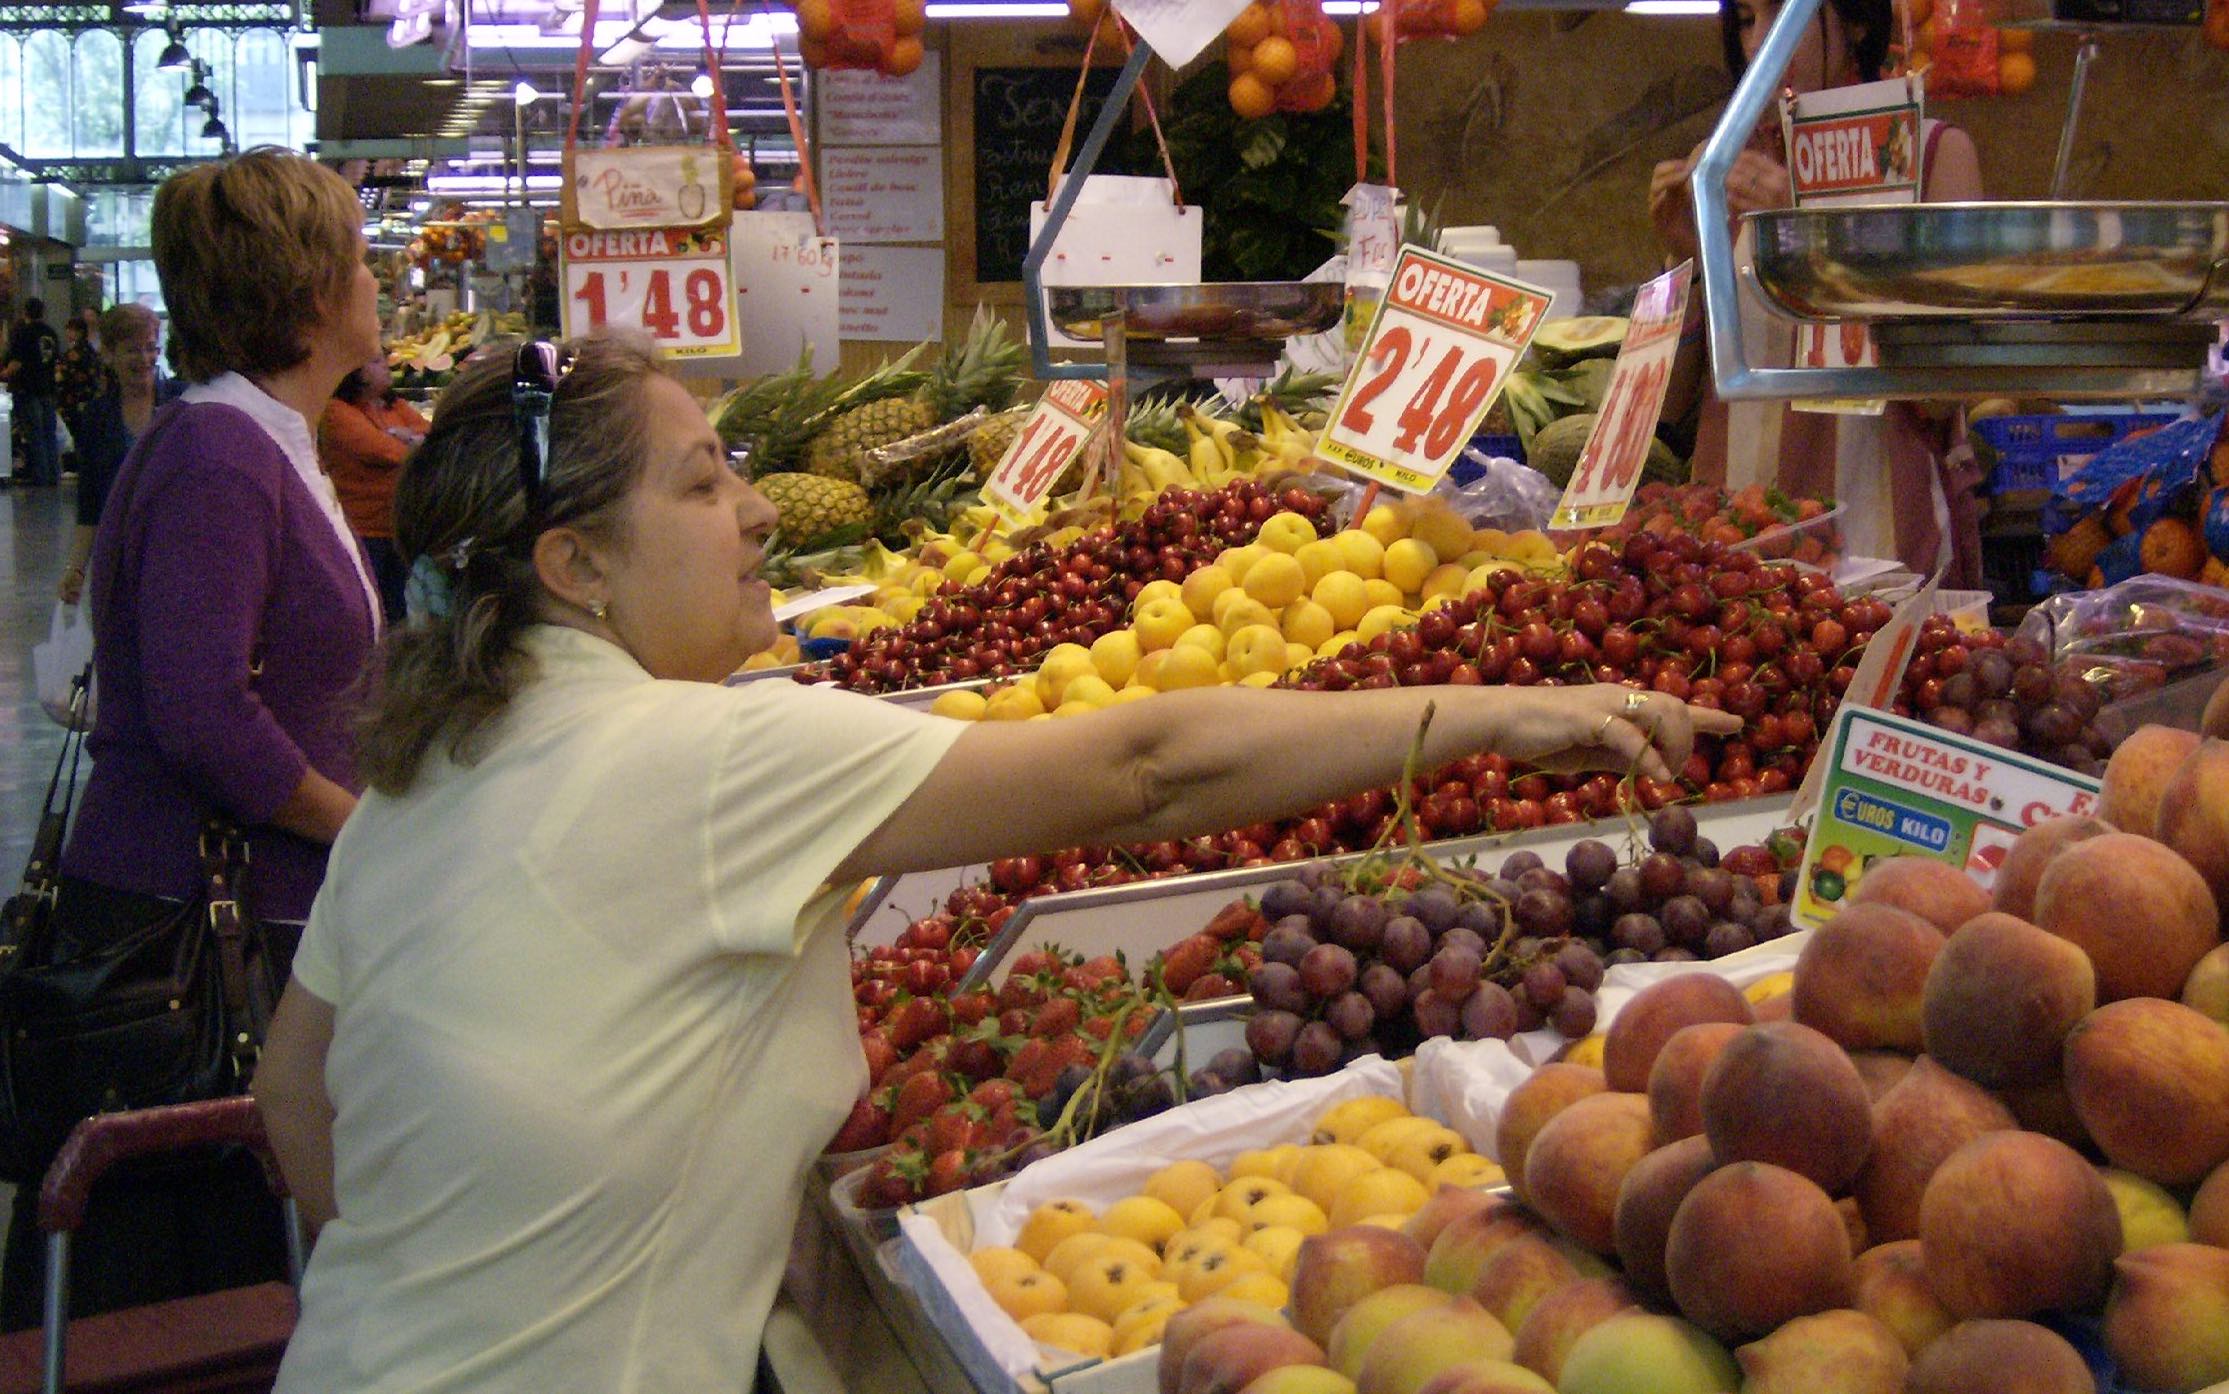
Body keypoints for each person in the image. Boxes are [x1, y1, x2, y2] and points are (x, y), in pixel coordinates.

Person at [251, 332, 1740, 1392]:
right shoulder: (702, 762)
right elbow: (1150, 768)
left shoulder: (417, 781)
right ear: (574, 567)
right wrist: (1517, 713)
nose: (758, 509)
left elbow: (293, 1109)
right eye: (702, 484)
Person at [2, 148, 387, 1331]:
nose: (379, 285)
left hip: (234, 906)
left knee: (215, 1254)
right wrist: (364, 825)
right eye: (364, 261)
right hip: (189, 926)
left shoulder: (266, 440)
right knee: (187, 1269)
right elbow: (203, 711)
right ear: (316, 295)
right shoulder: (222, 457)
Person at [1650, 0, 1985, 583]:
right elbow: (1671, 407)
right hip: (1736, 558)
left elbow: (1947, 389)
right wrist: (1683, 261)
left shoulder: (1931, 156)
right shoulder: (1728, 173)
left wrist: (1813, 241)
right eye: (1745, 22)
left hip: (1883, 556)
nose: (1759, 43)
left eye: (1782, 16)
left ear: (1856, 21)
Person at [57, 304, 171, 606]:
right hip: (119, 561)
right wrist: (77, 569)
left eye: (150, 348)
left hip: (175, 554)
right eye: (133, 350)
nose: (145, 359)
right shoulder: (97, 417)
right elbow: (91, 501)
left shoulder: (181, 403)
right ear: (109, 354)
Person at [321, 354, 429, 622]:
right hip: (364, 531)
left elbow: (434, 435)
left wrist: (406, 437)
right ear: (355, 372)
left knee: (402, 610)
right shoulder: (337, 412)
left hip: (399, 527)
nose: (388, 367)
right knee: (374, 612)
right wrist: (407, 440)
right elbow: (385, 452)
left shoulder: (394, 405)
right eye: (378, 362)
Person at [1, 297, 62, 486]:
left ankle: (40, 476)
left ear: (25, 312)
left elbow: (16, 363)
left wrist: (3, 374)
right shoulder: (51, 333)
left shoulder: (23, 333)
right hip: (48, 387)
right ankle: (54, 474)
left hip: (28, 388)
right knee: (49, 433)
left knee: (35, 434)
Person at [55, 313, 104, 479]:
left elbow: (63, 376)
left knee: (74, 435)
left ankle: (74, 466)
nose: (68, 334)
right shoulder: (91, 352)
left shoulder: (73, 354)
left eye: (70, 330)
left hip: (73, 399)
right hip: (89, 398)